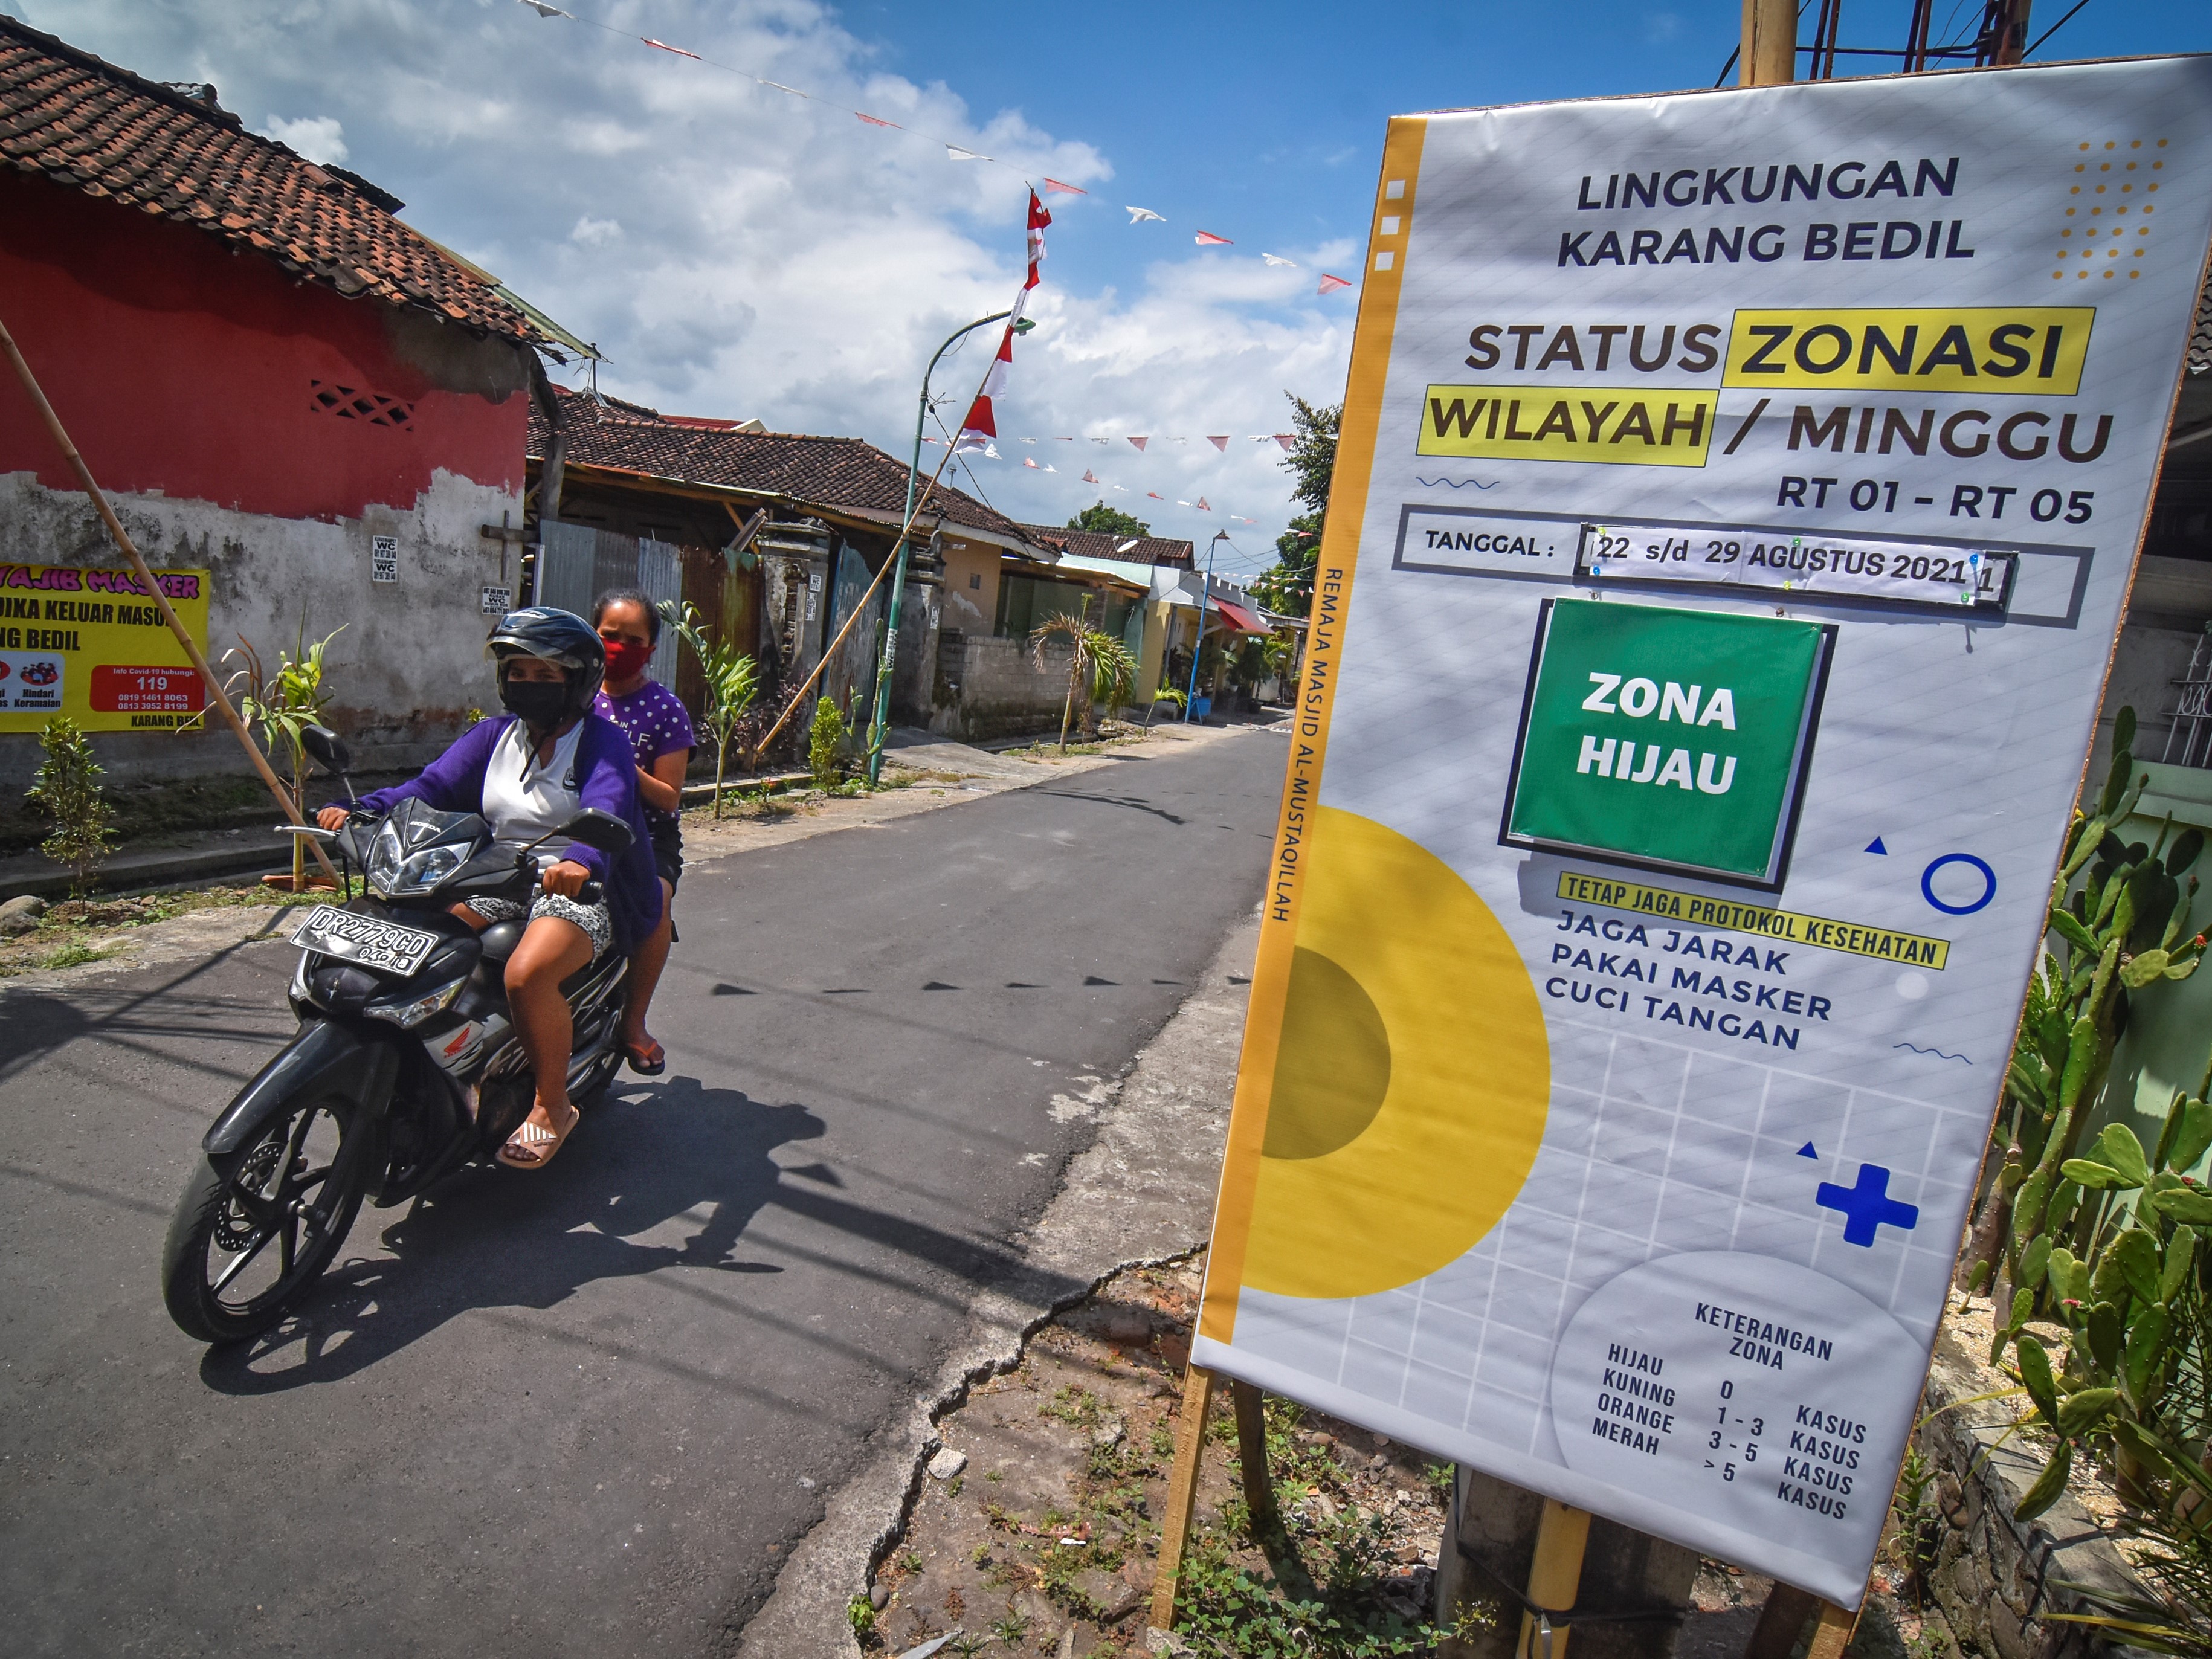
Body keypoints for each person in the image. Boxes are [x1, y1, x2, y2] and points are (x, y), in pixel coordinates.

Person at [317, 608, 658, 1171]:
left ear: (576, 681)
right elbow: (429, 788)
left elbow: (609, 804)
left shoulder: (604, 741)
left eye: (545, 676)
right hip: (497, 871)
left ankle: (552, 1104)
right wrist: (361, 810)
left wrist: (579, 858)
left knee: (526, 974)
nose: (529, 685)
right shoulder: (492, 737)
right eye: (518, 672)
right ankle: (451, 1057)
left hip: (579, 886)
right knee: (423, 937)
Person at [588, 587, 694, 1076]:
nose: (618, 646)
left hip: (646, 837)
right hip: (574, 824)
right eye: (610, 636)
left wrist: (620, 766)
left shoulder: (666, 710)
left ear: (650, 649)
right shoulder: (573, 695)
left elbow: (669, 798)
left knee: (656, 900)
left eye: (633, 639)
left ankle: (633, 1023)